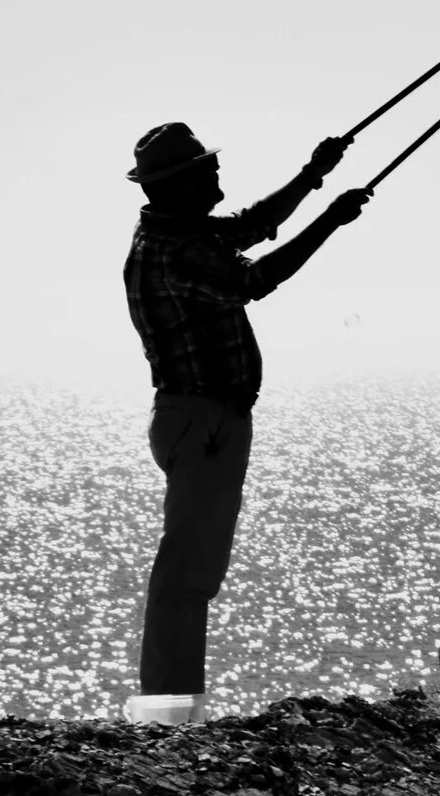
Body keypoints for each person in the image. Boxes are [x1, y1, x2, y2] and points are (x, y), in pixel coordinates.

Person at [120, 121, 371, 724]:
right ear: (176, 185)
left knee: (194, 573)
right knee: (186, 577)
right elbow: (254, 279)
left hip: (206, 417)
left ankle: (175, 707)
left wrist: (313, 175)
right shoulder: (171, 250)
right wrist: (329, 220)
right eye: (205, 169)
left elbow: (247, 228)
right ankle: (165, 713)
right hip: (200, 418)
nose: (216, 175)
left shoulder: (180, 231)